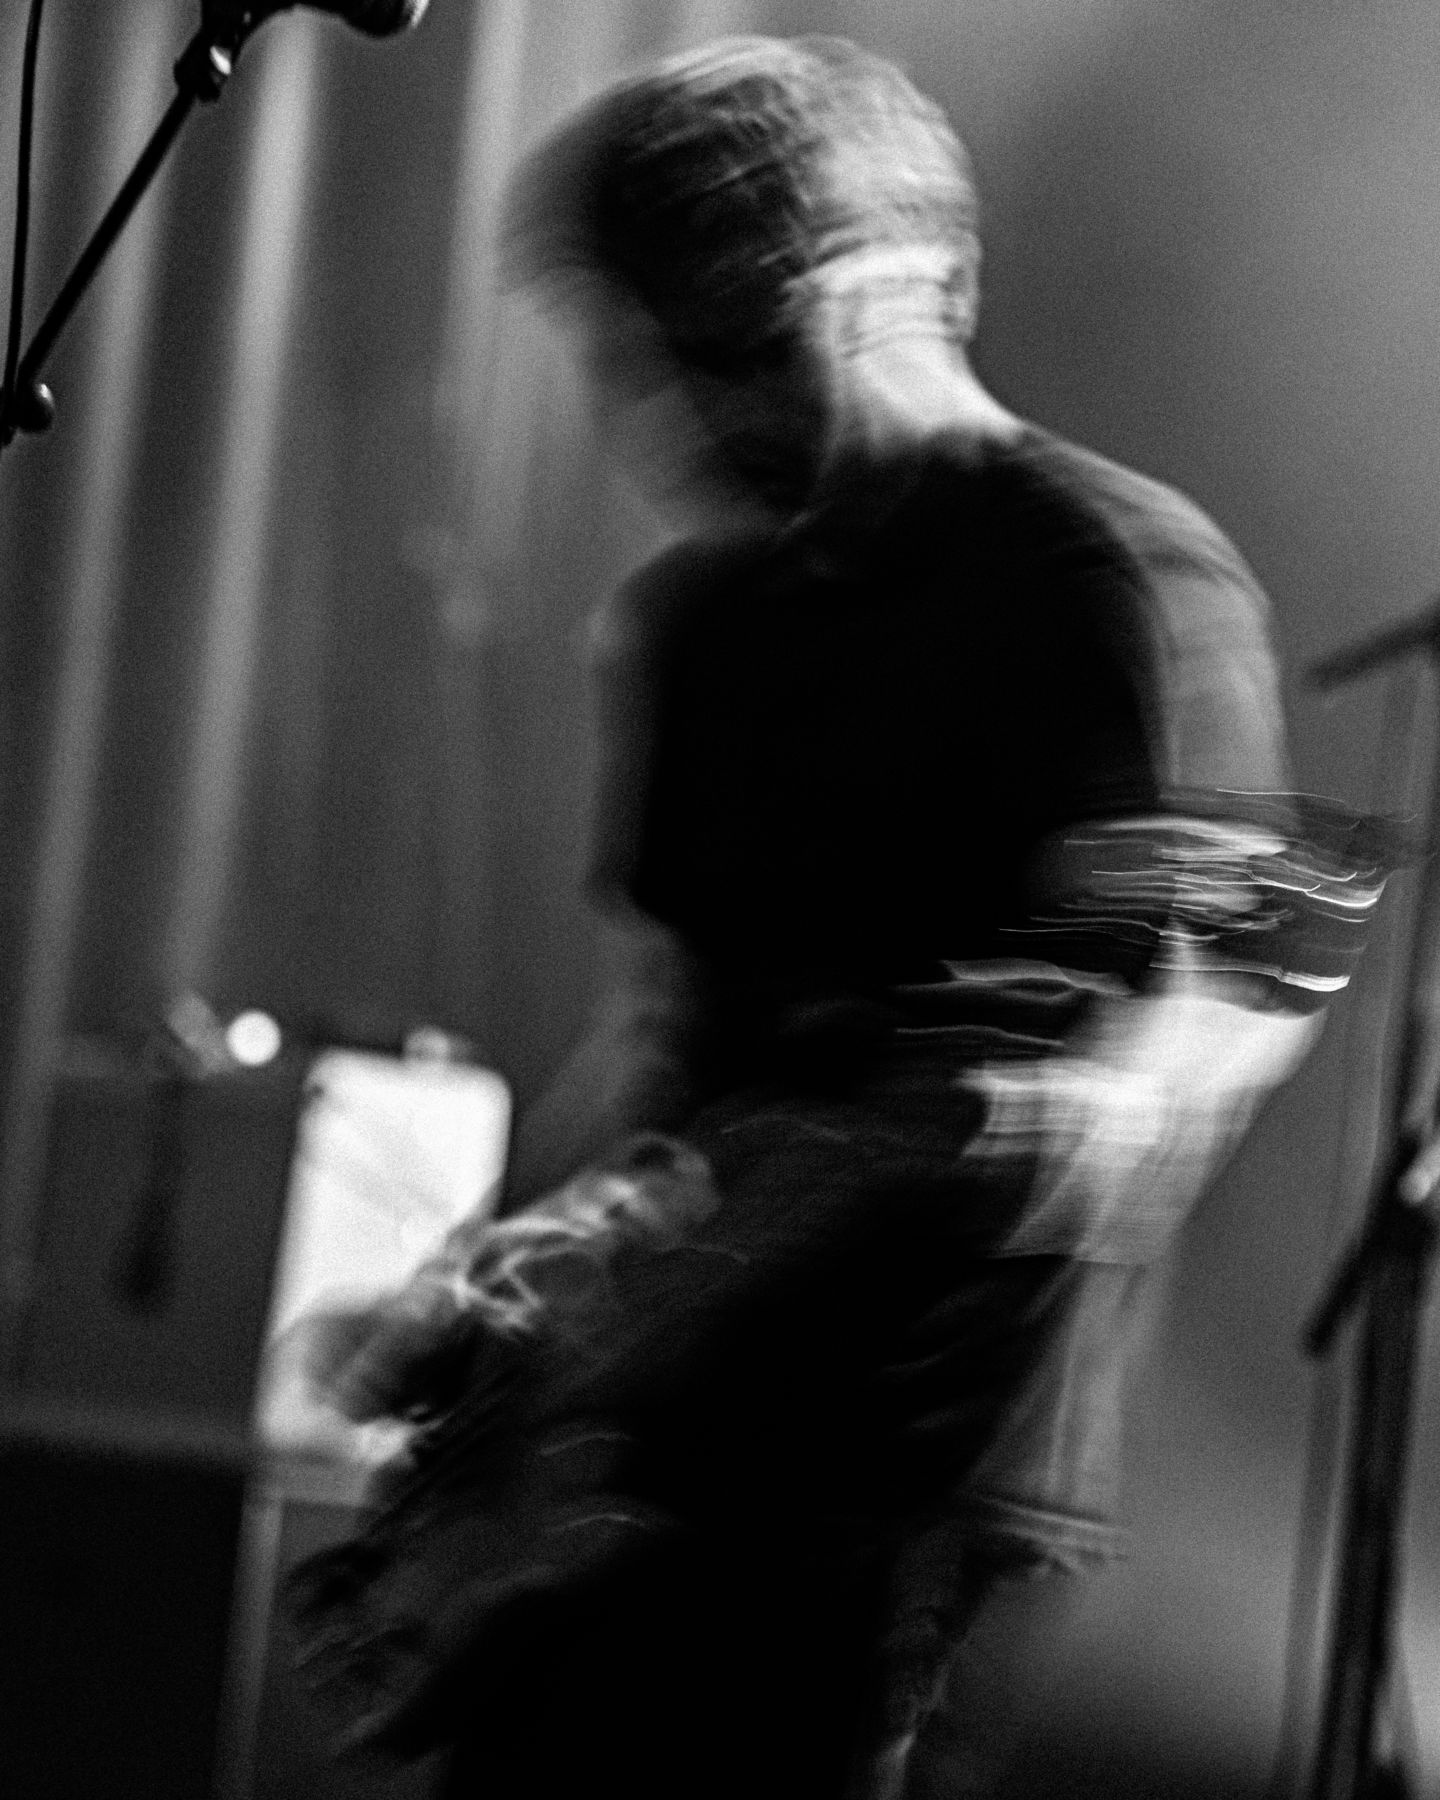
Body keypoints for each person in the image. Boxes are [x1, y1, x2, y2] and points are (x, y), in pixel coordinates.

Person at [297, 35, 1388, 1799]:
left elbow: (1224, 1001)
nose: (684, 413)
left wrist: (1061, 1113)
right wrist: (507, 1278)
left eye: (733, 338)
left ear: (894, 276)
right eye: (645, 351)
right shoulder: (699, 625)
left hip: (907, 1474)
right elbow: (669, 1033)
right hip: (647, 1454)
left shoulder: (1107, 576)